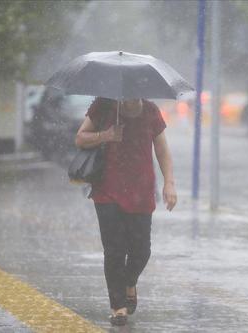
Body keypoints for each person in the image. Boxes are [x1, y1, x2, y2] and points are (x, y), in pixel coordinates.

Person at [75, 97, 177, 326]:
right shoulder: (104, 106)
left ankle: (129, 282)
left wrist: (169, 182)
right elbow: (80, 138)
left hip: (141, 190)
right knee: (114, 250)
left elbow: (162, 150)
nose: (131, 95)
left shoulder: (150, 111)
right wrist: (107, 135)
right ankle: (117, 306)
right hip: (107, 190)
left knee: (142, 251)